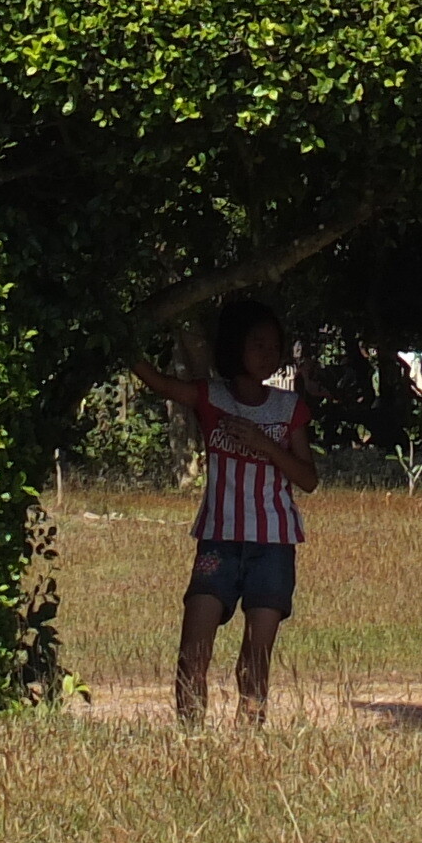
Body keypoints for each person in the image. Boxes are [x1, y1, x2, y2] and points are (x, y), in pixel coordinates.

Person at [127, 297, 320, 726]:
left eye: (274, 345)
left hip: (274, 544)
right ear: (235, 346)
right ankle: (191, 736)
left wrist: (265, 445)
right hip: (218, 538)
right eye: (257, 344)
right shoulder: (209, 396)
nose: (268, 353)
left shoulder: (289, 407)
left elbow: (308, 478)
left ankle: (249, 736)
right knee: (194, 647)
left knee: (257, 651)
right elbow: (158, 382)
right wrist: (119, 340)